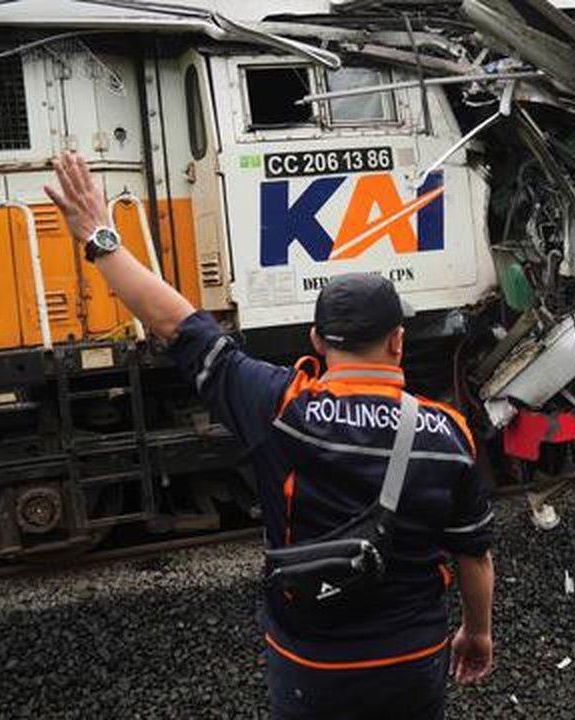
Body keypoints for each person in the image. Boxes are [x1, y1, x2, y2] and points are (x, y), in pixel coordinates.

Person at [45, 153, 495, 720]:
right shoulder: (444, 432)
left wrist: (99, 237)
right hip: (411, 656)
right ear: (398, 343)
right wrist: (476, 634)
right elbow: (473, 556)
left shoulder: (277, 406)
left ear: (317, 340)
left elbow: (177, 324)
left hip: (311, 663)